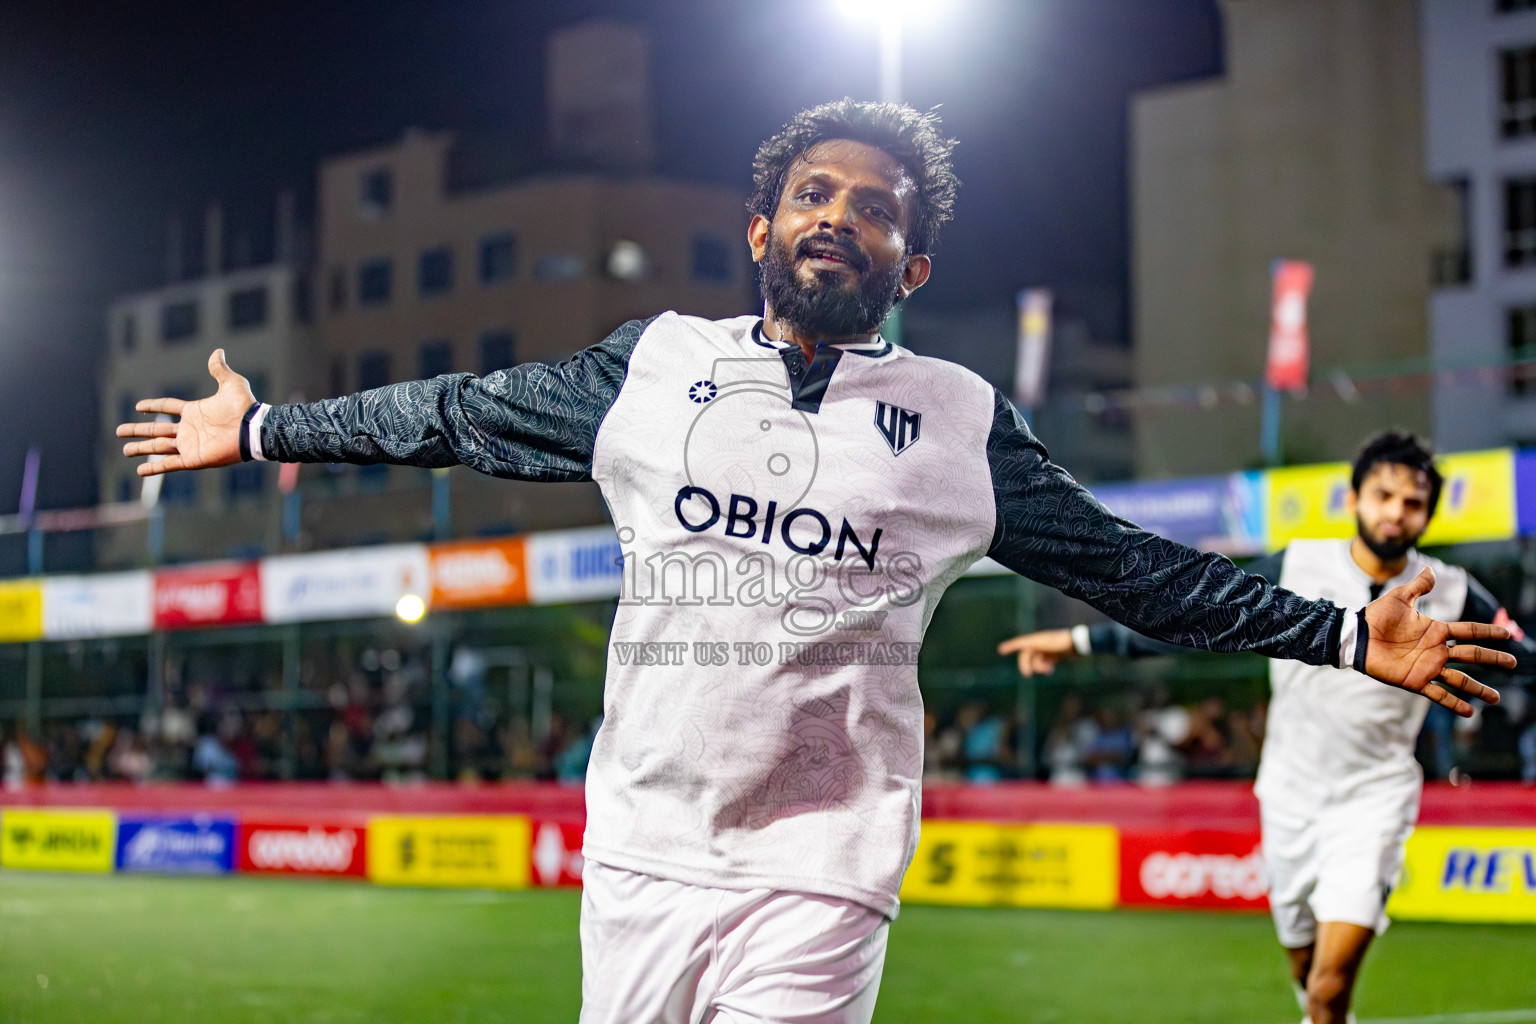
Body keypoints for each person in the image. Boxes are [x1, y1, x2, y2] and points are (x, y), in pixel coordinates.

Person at [118, 101, 1511, 1024]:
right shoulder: (655, 366)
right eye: (812, 193)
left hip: (826, 865)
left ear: (911, 263)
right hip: (646, 854)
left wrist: (1338, 634)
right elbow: (451, 413)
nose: (838, 214)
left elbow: (1135, 569)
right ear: (762, 231)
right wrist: (262, 428)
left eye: (875, 206)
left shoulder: (961, 421)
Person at [998, 430, 1535, 1024]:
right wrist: (1078, 641)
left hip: (1376, 797)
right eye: (1383, 495)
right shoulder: (1300, 561)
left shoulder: (1452, 590)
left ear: (1428, 514)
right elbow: (1196, 615)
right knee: (1309, 980)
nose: (1396, 512)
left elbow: (1523, 655)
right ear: (1355, 499)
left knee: (1331, 988)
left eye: (1412, 503)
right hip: (1287, 795)